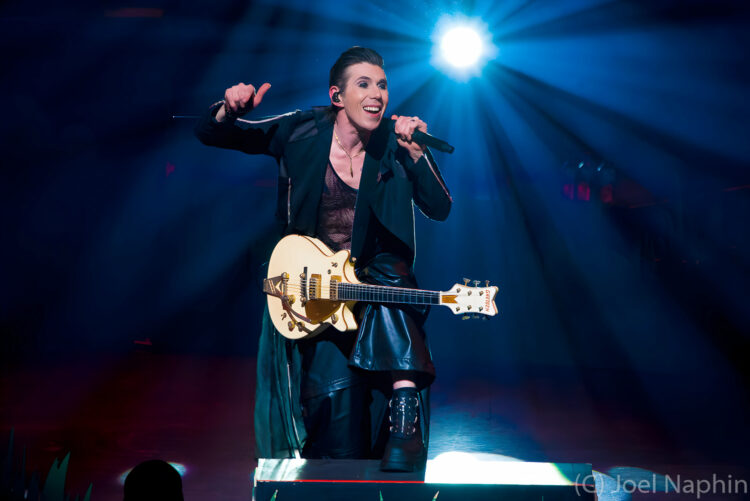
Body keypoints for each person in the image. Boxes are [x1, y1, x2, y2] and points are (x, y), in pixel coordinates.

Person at [195, 46, 451, 471]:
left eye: (383, 85)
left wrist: (418, 154)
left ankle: (405, 405)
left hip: (379, 299)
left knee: (390, 281)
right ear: (337, 96)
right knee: (337, 430)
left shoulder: (394, 145)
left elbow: (440, 208)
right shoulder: (302, 132)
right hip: (317, 299)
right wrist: (229, 107)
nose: (377, 94)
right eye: (364, 84)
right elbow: (216, 133)